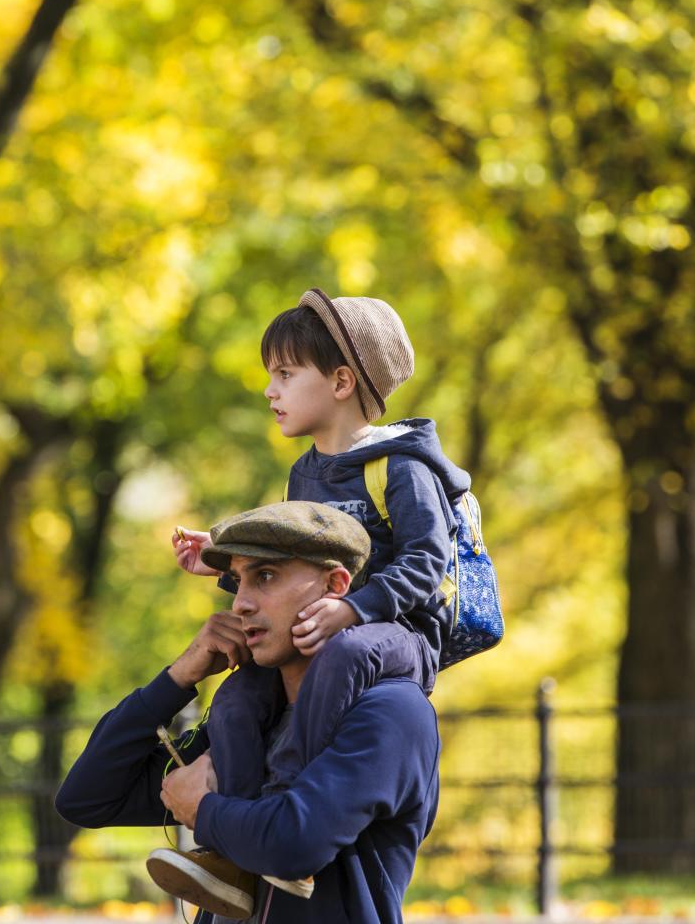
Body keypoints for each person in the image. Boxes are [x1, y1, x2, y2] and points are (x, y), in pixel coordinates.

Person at [165, 289, 478, 909]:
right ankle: (234, 851)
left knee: (342, 656)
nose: (270, 391)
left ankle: (282, 808)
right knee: (238, 697)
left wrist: (355, 610)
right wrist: (224, 563)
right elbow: (293, 570)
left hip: (397, 635)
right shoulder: (305, 474)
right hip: (329, 627)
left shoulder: (400, 467)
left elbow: (427, 564)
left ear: (341, 381)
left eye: (284, 374)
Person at [54, 501, 441, 923]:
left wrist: (202, 811)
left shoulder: (393, 712)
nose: (240, 604)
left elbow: (294, 844)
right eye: (238, 582)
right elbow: (87, 798)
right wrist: (179, 677)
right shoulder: (245, 720)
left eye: (265, 577)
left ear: (335, 585)